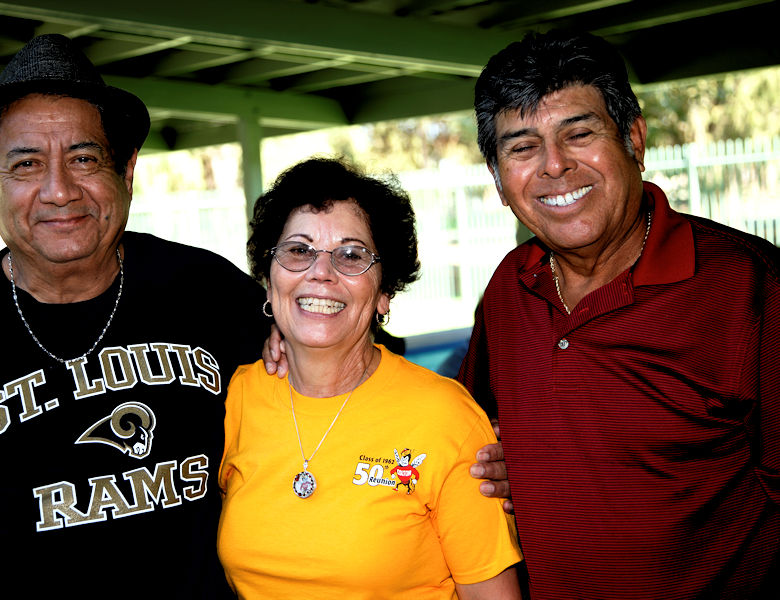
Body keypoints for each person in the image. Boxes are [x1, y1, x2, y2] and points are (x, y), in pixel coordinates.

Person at [0, 34, 268, 598]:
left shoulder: (213, 293)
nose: (60, 191)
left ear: (126, 172)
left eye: (84, 159)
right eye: (27, 164)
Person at [457, 30, 779, 599]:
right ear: (498, 179)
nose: (554, 166)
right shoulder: (510, 288)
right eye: (522, 147)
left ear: (634, 139)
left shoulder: (751, 286)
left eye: (579, 134)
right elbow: (470, 434)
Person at [217, 157, 522, 599]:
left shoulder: (444, 416)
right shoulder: (237, 397)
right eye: (299, 250)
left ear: (384, 293)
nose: (321, 273)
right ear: (269, 280)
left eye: (351, 255)